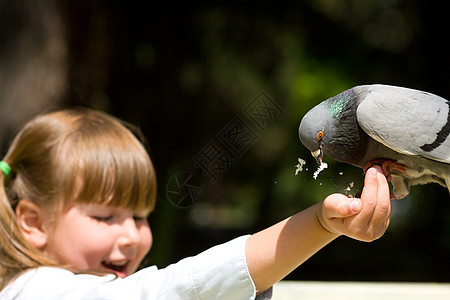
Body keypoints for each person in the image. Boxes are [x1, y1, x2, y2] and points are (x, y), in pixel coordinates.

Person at [0, 108, 391, 299]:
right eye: (105, 217)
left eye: (139, 217)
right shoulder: (35, 292)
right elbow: (170, 292)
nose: (131, 236)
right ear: (33, 223)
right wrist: (318, 226)